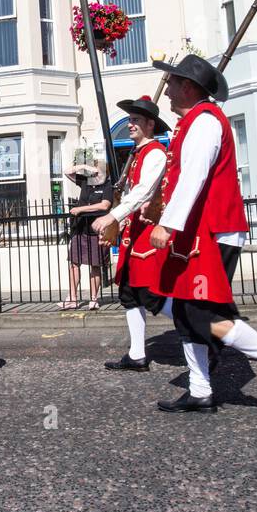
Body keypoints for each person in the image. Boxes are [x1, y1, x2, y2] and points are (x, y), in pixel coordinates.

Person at [147, 55, 257, 416]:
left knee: (203, 315)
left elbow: (195, 176)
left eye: (171, 82)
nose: (167, 89)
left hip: (213, 231)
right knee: (186, 313)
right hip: (199, 231)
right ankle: (200, 389)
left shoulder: (204, 122)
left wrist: (167, 223)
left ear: (188, 87)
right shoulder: (195, 121)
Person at [91, 97, 173, 369]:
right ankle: (137, 354)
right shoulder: (136, 154)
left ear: (151, 125)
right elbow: (126, 194)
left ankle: (199, 332)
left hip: (149, 233)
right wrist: (116, 225)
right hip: (133, 233)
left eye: (136, 120)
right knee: (129, 295)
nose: (130, 124)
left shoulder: (156, 153)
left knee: (153, 295)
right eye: (129, 119)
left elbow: (143, 192)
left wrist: (112, 216)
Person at [63, 157, 111, 310]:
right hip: (80, 229)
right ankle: (72, 298)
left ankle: (93, 299)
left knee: (95, 265)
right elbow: (67, 171)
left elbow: (105, 206)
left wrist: (80, 209)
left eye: (99, 171)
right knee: (74, 263)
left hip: (97, 231)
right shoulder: (85, 181)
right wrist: (85, 166)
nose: (96, 174)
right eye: (95, 170)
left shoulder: (107, 186)